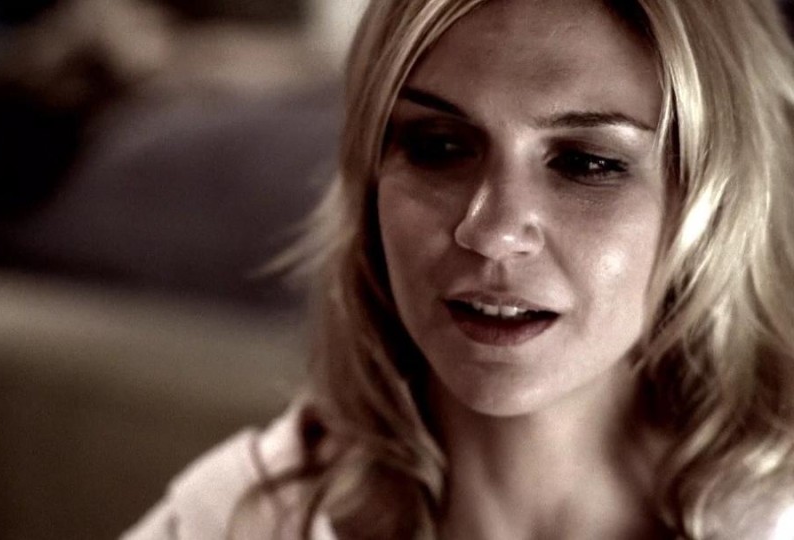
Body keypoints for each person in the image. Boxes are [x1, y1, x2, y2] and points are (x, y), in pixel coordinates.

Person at [123, 0, 794, 538]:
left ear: (712, 204)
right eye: (440, 146)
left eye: (587, 163)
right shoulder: (236, 518)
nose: (493, 232)